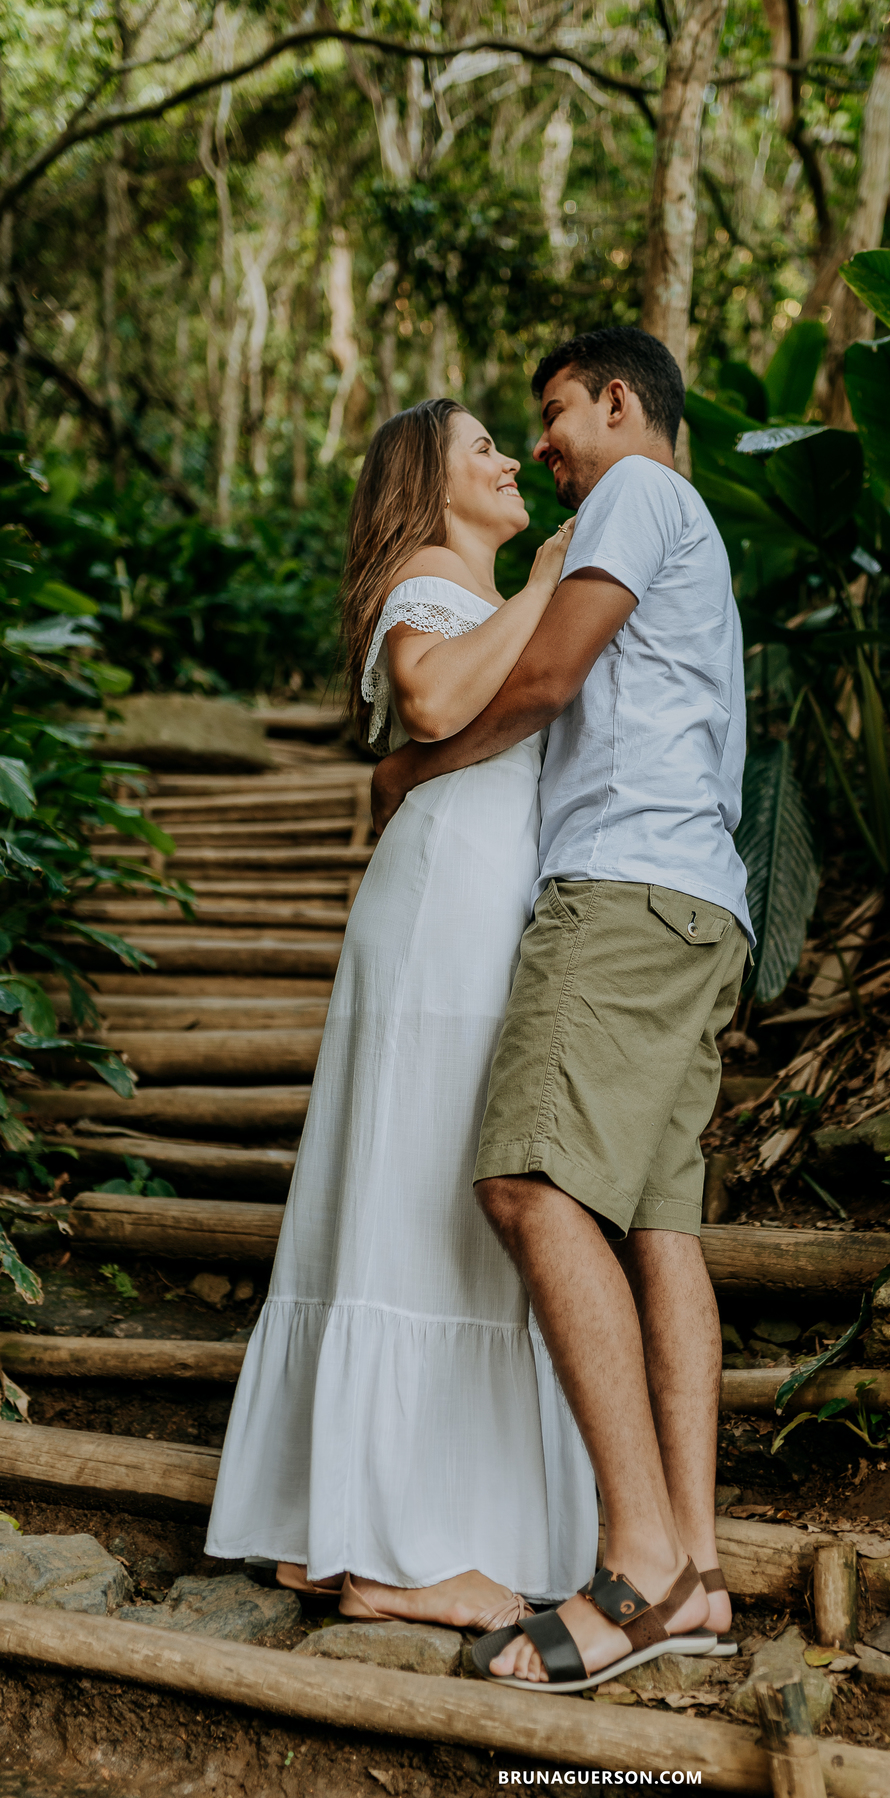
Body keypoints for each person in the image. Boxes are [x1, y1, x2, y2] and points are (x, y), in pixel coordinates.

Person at [369, 327, 752, 1692]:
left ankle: (637, 1566)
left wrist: (418, 766)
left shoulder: (638, 492)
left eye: (553, 416)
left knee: (529, 1182)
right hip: (700, 901)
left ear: (618, 401)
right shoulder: (669, 522)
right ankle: (697, 1576)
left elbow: (542, 682)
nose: (545, 446)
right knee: (659, 1226)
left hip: (627, 894)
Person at [205, 398, 598, 1630]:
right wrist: (544, 584)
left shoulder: (468, 584)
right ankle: (395, 1557)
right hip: (446, 909)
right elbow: (429, 702)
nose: (506, 459)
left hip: (460, 891)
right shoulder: (432, 574)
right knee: (430, 1191)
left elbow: (448, 739)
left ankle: (334, 1524)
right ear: (428, 485)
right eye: (481, 445)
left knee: (410, 1187)